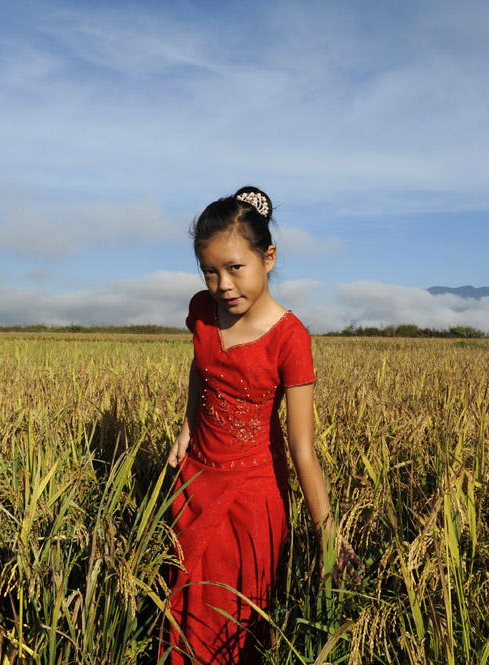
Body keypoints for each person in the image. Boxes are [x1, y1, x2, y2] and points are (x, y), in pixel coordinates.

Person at [163, 186, 361, 664]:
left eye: (235, 268)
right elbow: (200, 365)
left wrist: (328, 531)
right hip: (194, 480)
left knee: (234, 617)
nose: (223, 284)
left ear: (268, 258)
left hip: (252, 498)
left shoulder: (290, 339)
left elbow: (302, 448)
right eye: (210, 271)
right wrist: (189, 425)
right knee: (184, 604)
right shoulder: (203, 311)